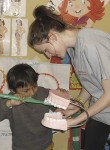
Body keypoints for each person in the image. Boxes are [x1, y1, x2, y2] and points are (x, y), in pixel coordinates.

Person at [28, 5, 110, 150]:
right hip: (102, 114)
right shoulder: (73, 50)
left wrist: (77, 120)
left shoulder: (91, 42)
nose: (48, 55)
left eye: (45, 50)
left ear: (52, 37)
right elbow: (91, 83)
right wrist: (76, 105)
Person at [0, 63, 59, 150]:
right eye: (26, 90)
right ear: (13, 90)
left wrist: (61, 96)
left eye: (34, 86)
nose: (32, 92)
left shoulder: (43, 93)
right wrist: (9, 103)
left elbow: (59, 108)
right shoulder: (11, 100)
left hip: (46, 146)